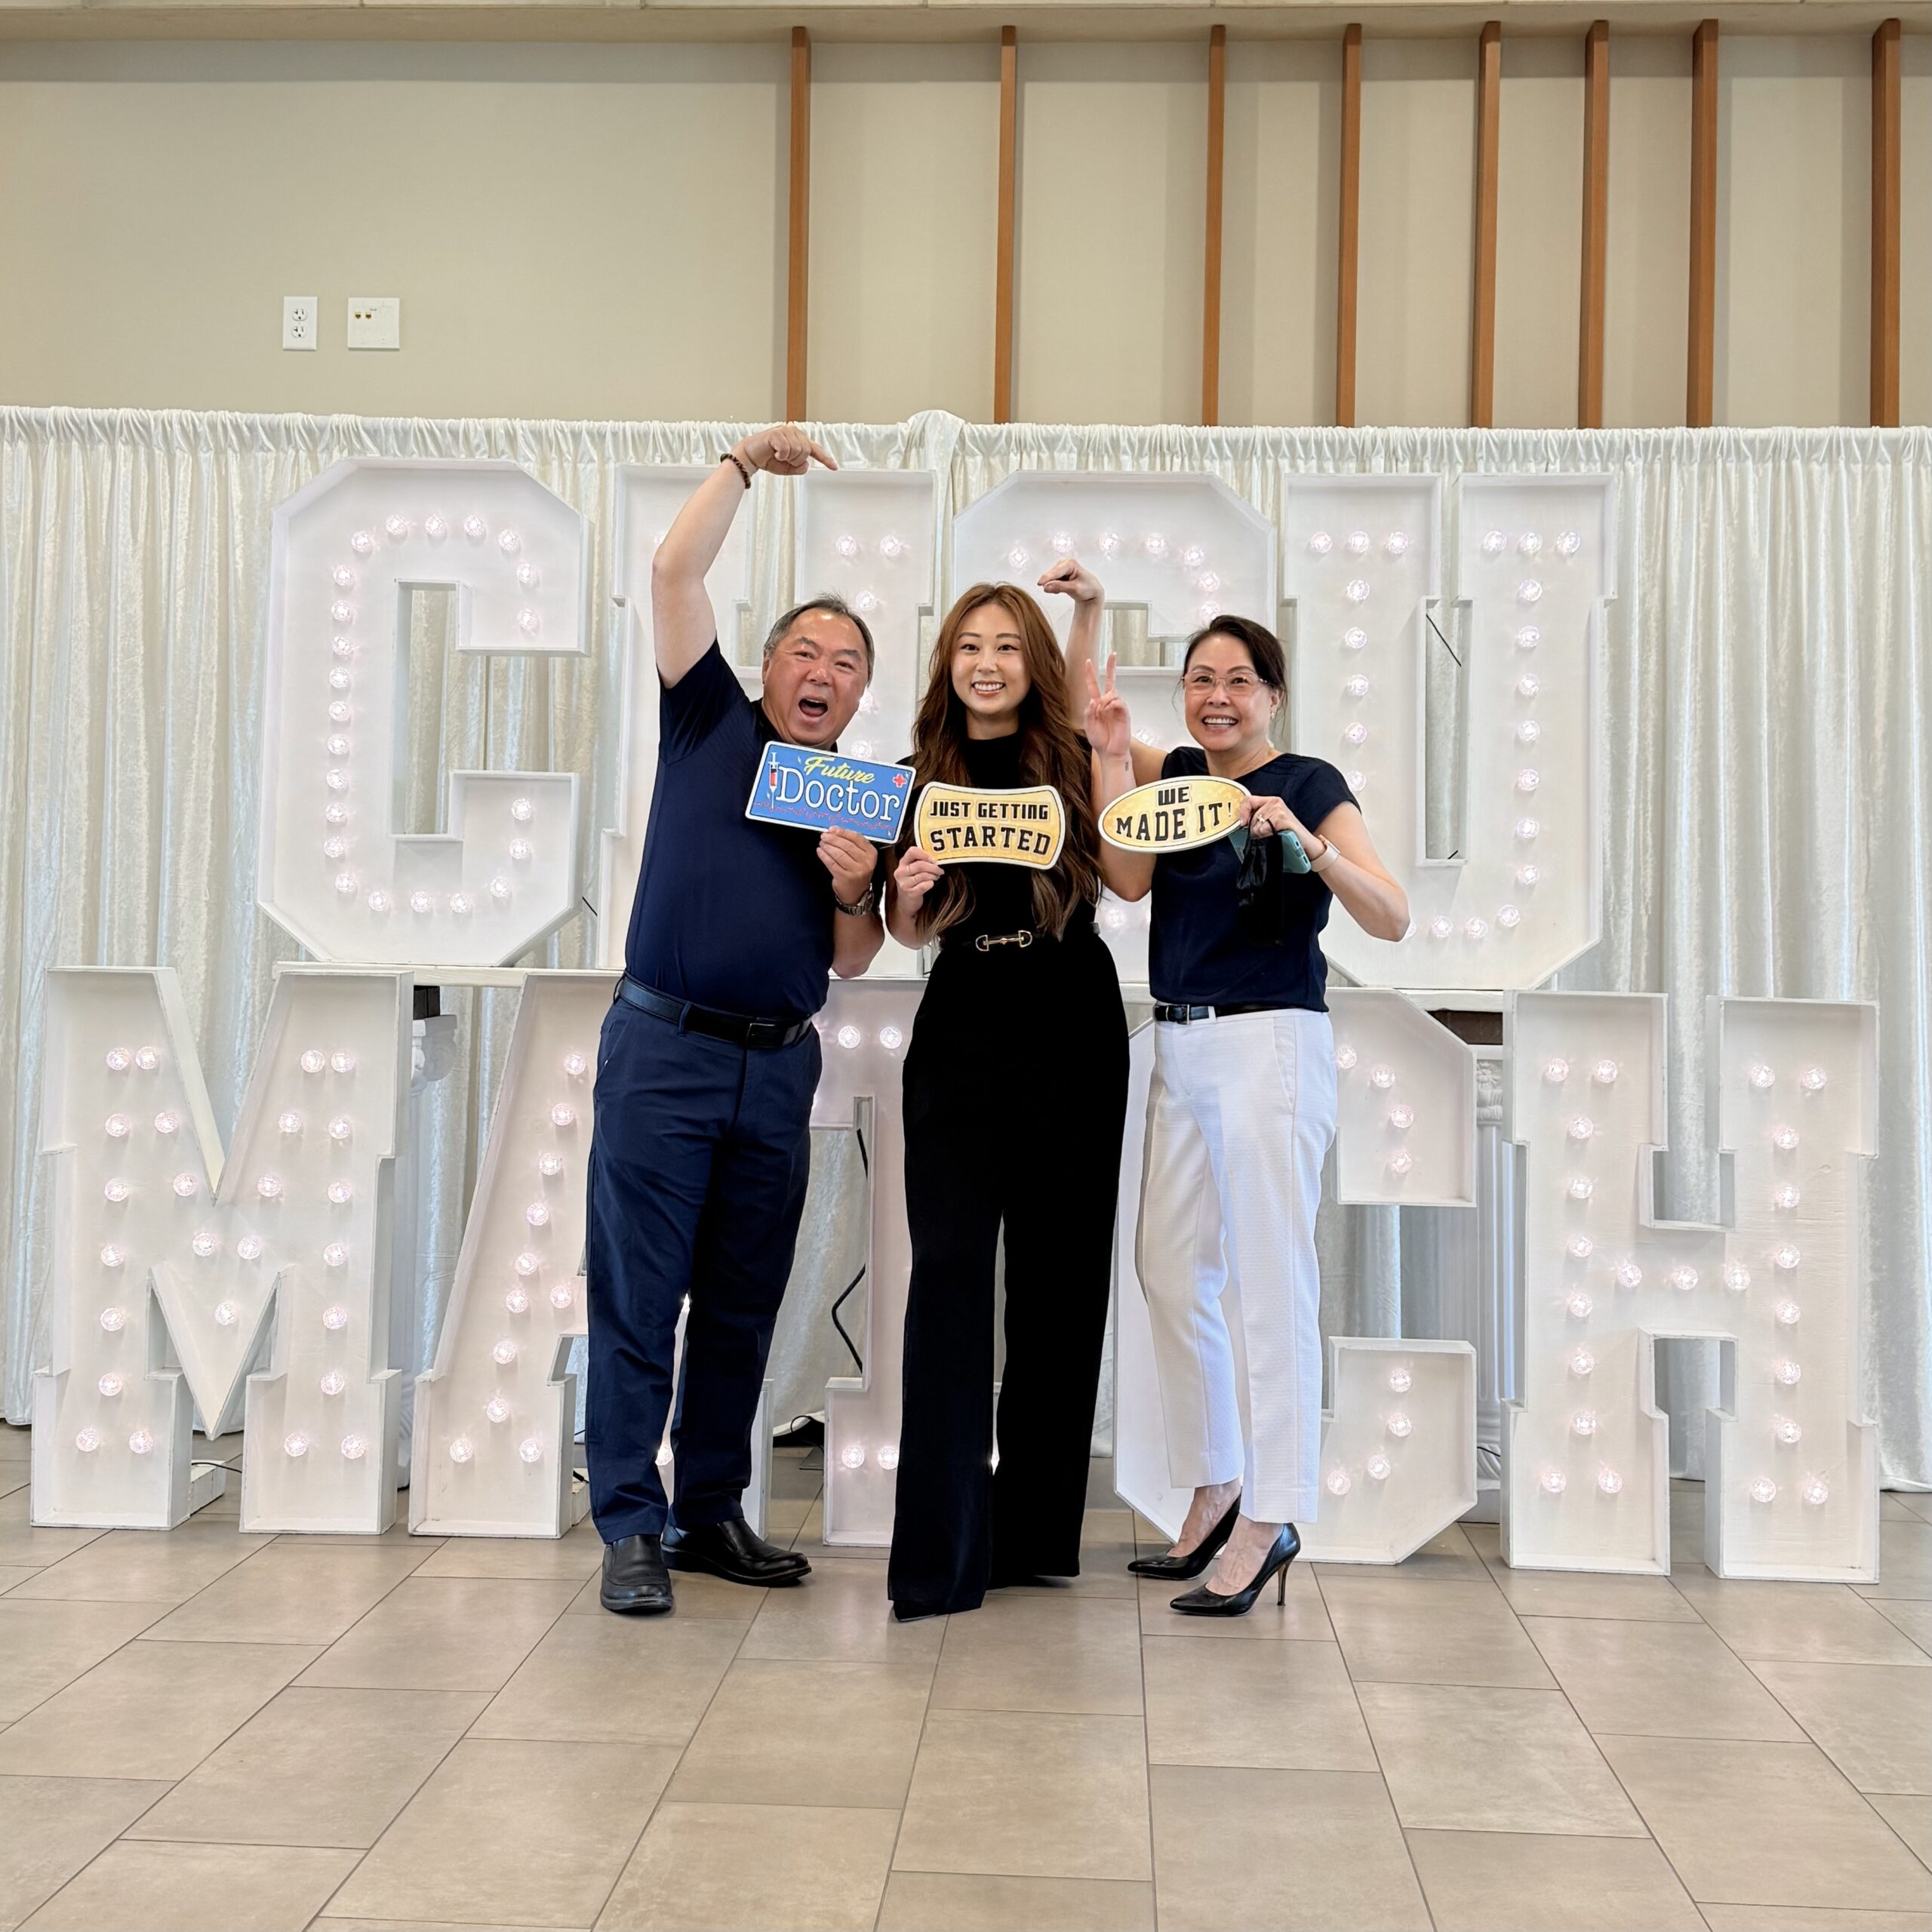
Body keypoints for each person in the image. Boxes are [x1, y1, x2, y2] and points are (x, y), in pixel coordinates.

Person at [586, 426, 886, 1616]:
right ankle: (628, 1521)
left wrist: (856, 883)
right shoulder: (708, 719)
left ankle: (710, 1510)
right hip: (663, 1050)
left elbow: (855, 957)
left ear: (862, 692)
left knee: (745, 1303)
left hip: (777, 1070)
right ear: (766, 669)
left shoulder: (864, 794)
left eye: (847, 661)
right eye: (804, 651)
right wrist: (743, 467)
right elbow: (673, 572)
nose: (823, 670)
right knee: (638, 1296)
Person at [1083, 617, 1408, 1617]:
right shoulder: (1178, 776)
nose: (1215, 697)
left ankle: (1274, 1515)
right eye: (1198, 680)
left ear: (1273, 693)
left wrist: (1309, 849)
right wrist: (1103, 733)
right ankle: (1218, 1481)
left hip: (1269, 1041)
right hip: (1179, 1043)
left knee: (1271, 1283)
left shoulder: (1308, 783)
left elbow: (1389, 913)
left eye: (1237, 681)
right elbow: (1117, 842)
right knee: (1171, 1272)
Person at [883, 566, 1129, 1621]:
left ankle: (1031, 1536)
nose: (987, 664)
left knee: (1060, 1284)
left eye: (1007, 646)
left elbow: (1125, 876)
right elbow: (902, 935)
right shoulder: (913, 772)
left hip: (1073, 1013)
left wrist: (1089, 616)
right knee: (945, 1274)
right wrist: (904, 896)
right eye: (970, 646)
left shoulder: (1072, 764)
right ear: (948, 663)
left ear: (1033, 665)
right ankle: (940, 1554)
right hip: (965, 1015)